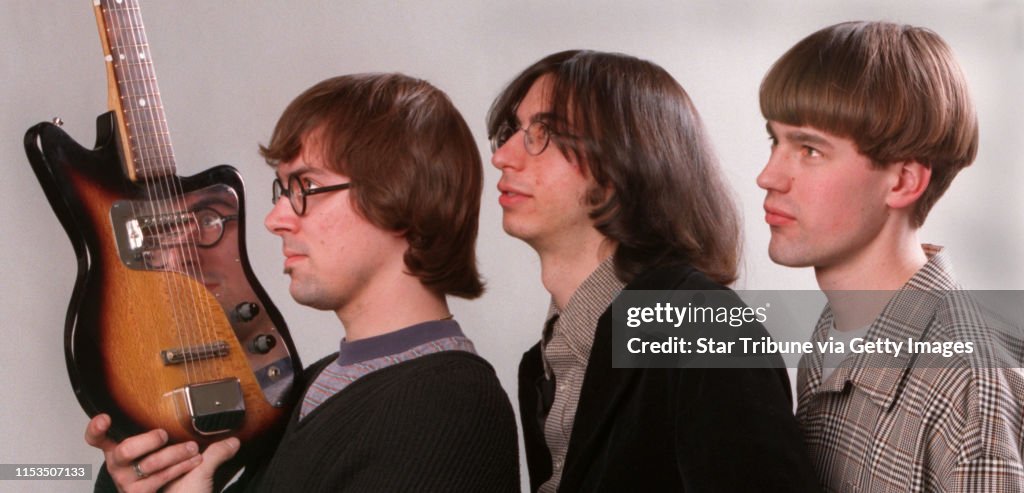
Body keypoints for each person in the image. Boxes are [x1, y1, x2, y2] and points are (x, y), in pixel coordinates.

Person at [85, 73, 520, 492]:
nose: (275, 220)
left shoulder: (448, 407)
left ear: (405, 198)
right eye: (283, 189)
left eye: (307, 186)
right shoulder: (314, 384)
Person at [488, 49, 819, 492]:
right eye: (513, 130)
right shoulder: (543, 365)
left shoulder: (700, 326)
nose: (503, 156)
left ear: (626, 160)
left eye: (544, 132)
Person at [756, 21, 1024, 491]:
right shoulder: (833, 331)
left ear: (902, 182)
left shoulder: (970, 381)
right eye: (774, 141)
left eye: (810, 150)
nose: (768, 176)